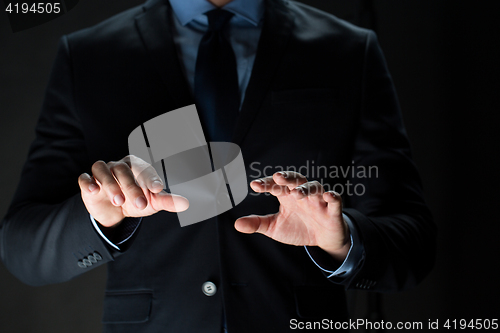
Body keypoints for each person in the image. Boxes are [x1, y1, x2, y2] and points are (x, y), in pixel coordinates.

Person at [0, 0, 436, 332]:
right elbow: (22, 247)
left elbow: (412, 243)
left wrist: (341, 241)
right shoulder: (89, 56)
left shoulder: (347, 50)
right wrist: (100, 217)